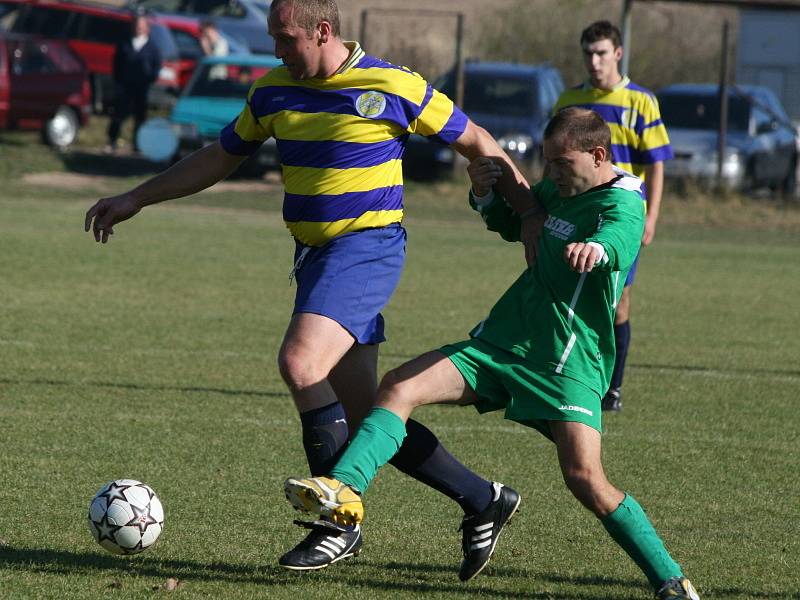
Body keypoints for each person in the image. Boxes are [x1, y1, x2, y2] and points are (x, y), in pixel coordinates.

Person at [85, 0, 545, 575]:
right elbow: (219, 158)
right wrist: (136, 197)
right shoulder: (273, 90)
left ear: (322, 31)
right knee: (366, 418)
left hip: (366, 248)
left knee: (301, 364)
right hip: (314, 259)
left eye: (285, 39)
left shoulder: (392, 84)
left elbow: (478, 141)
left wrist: (528, 213)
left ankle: (337, 524)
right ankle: (483, 499)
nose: (276, 50)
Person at [283, 108, 700, 600]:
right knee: (398, 386)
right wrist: (482, 191)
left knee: (586, 479)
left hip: (565, 365)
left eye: (561, 164)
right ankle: (345, 490)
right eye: (547, 163)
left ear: (598, 156)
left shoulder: (622, 204)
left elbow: (619, 240)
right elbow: (511, 223)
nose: (551, 174)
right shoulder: (559, 190)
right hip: (502, 345)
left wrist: (598, 251)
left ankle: (671, 580)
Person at [553, 20, 672, 412]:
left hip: (620, 217)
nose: (594, 60)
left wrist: (651, 217)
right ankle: (562, 372)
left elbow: (655, 164)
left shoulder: (641, 101)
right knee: (561, 291)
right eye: (588, 52)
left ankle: (611, 387)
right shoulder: (571, 99)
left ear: (617, 54)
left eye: (601, 52)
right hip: (576, 212)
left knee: (616, 301)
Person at [106, 15, 162, 154]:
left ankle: (138, 146)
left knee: (140, 118)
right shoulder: (125, 44)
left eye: (141, 26)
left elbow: (156, 67)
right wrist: (119, 82)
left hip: (141, 88)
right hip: (125, 87)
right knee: (118, 115)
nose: (139, 28)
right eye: (137, 25)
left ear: (146, 28)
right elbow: (116, 65)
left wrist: (149, 79)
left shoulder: (152, 47)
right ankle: (112, 141)